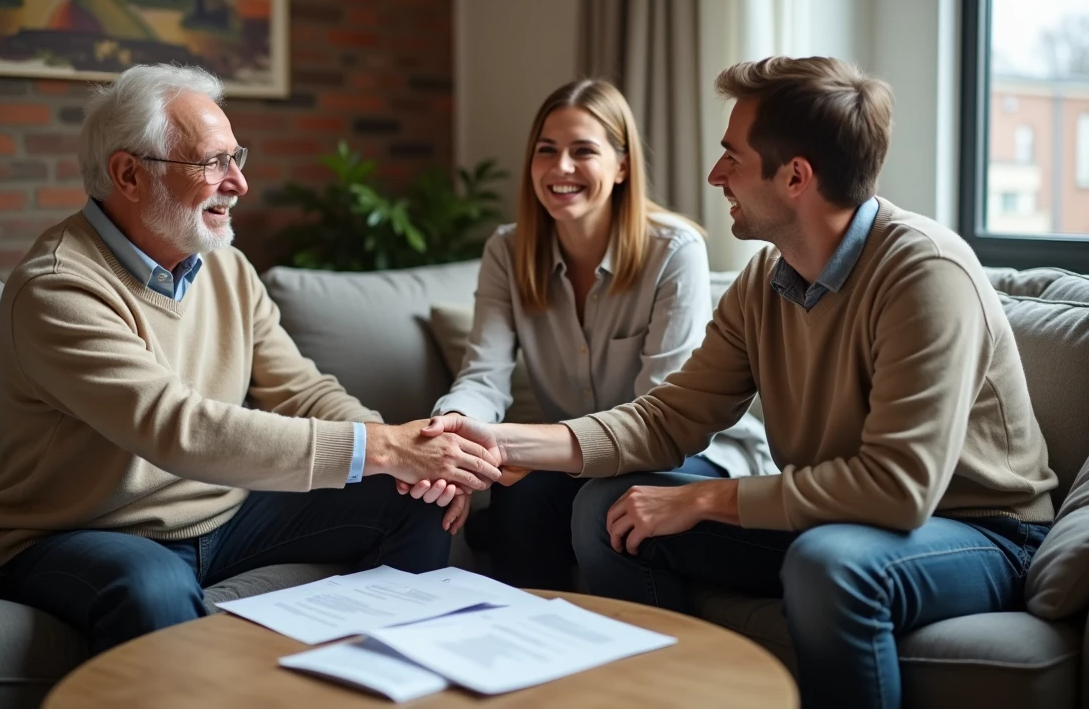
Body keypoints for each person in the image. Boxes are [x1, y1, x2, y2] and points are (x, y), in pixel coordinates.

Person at [421, 56, 1056, 709]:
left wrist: (705, 501)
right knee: (605, 511)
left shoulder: (925, 273)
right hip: (826, 516)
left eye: (732, 157)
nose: (713, 174)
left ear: (795, 177)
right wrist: (497, 443)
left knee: (828, 564)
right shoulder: (765, 280)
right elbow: (667, 417)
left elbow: (896, 490)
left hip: (978, 531)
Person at [0, 64, 500, 655]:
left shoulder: (224, 266)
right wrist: (384, 449)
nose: (238, 183)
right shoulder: (58, 289)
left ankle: (388, 678)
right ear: (128, 174)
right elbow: (180, 429)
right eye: (212, 162)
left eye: (236, 157)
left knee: (411, 503)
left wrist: (411, 459)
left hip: (224, 517)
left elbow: (301, 389)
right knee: (152, 586)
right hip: (81, 534)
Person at [403, 79, 774, 591]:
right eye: (546, 151)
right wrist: (451, 435)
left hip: (692, 452)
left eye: (583, 151)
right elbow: (484, 376)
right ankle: (516, 644)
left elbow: (663, 409)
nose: (561, 168)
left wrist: (525, 449)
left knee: (564, 494)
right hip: (579, 454)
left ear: (622, 165)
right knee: (516, 495)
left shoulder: (673, 249)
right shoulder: (507, 252)